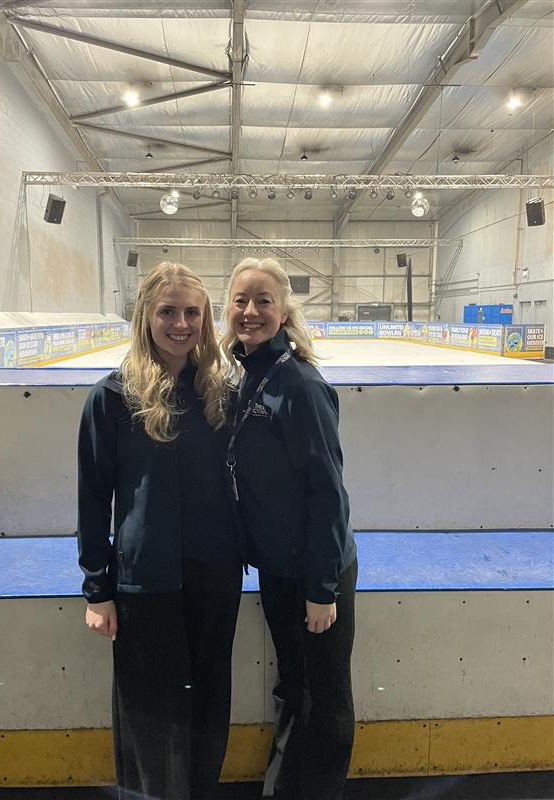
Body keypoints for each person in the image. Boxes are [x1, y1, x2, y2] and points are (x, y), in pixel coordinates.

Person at [77, 262, 242, 800]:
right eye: (168, 311)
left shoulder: (219, 393)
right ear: (145, 316)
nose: (181, 323)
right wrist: (98, 588)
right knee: (149, 712)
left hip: (214, 575)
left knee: (208, 702)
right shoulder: (112, 397)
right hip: (145, 581)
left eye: (193, 312)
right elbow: (93, 497)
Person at [221, 258, 357, 800]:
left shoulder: (298, 384)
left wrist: (322, 589)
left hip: (314, 571)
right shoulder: (247, 373)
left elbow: (328, 493)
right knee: (293, 689)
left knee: (322, 697)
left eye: (263, 301)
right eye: (240, 301)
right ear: (226, 308)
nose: (250, 312)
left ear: (283, 311)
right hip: (279, 568)